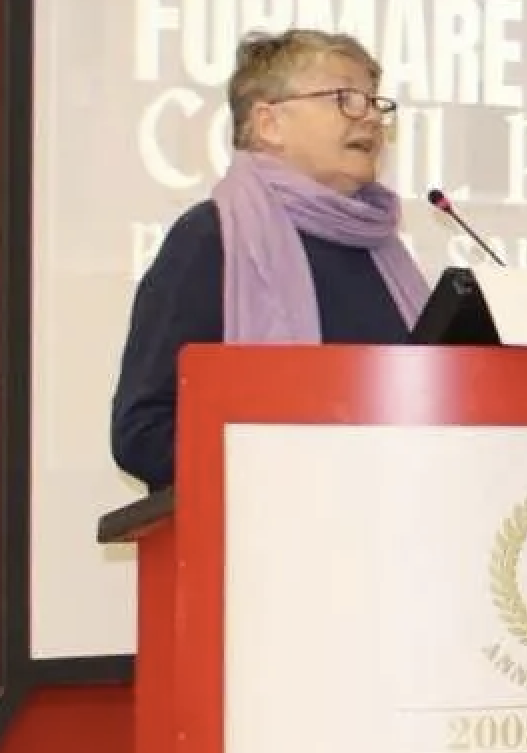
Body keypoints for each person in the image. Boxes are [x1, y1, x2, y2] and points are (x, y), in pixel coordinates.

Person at [112, 29, 429, 489]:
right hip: (267, 523)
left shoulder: (384, 253)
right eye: (345, 99)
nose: (371, 118)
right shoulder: (211, 239)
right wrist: (279, 477)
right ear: (269, 124)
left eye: (374, 102)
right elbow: (143, 432)